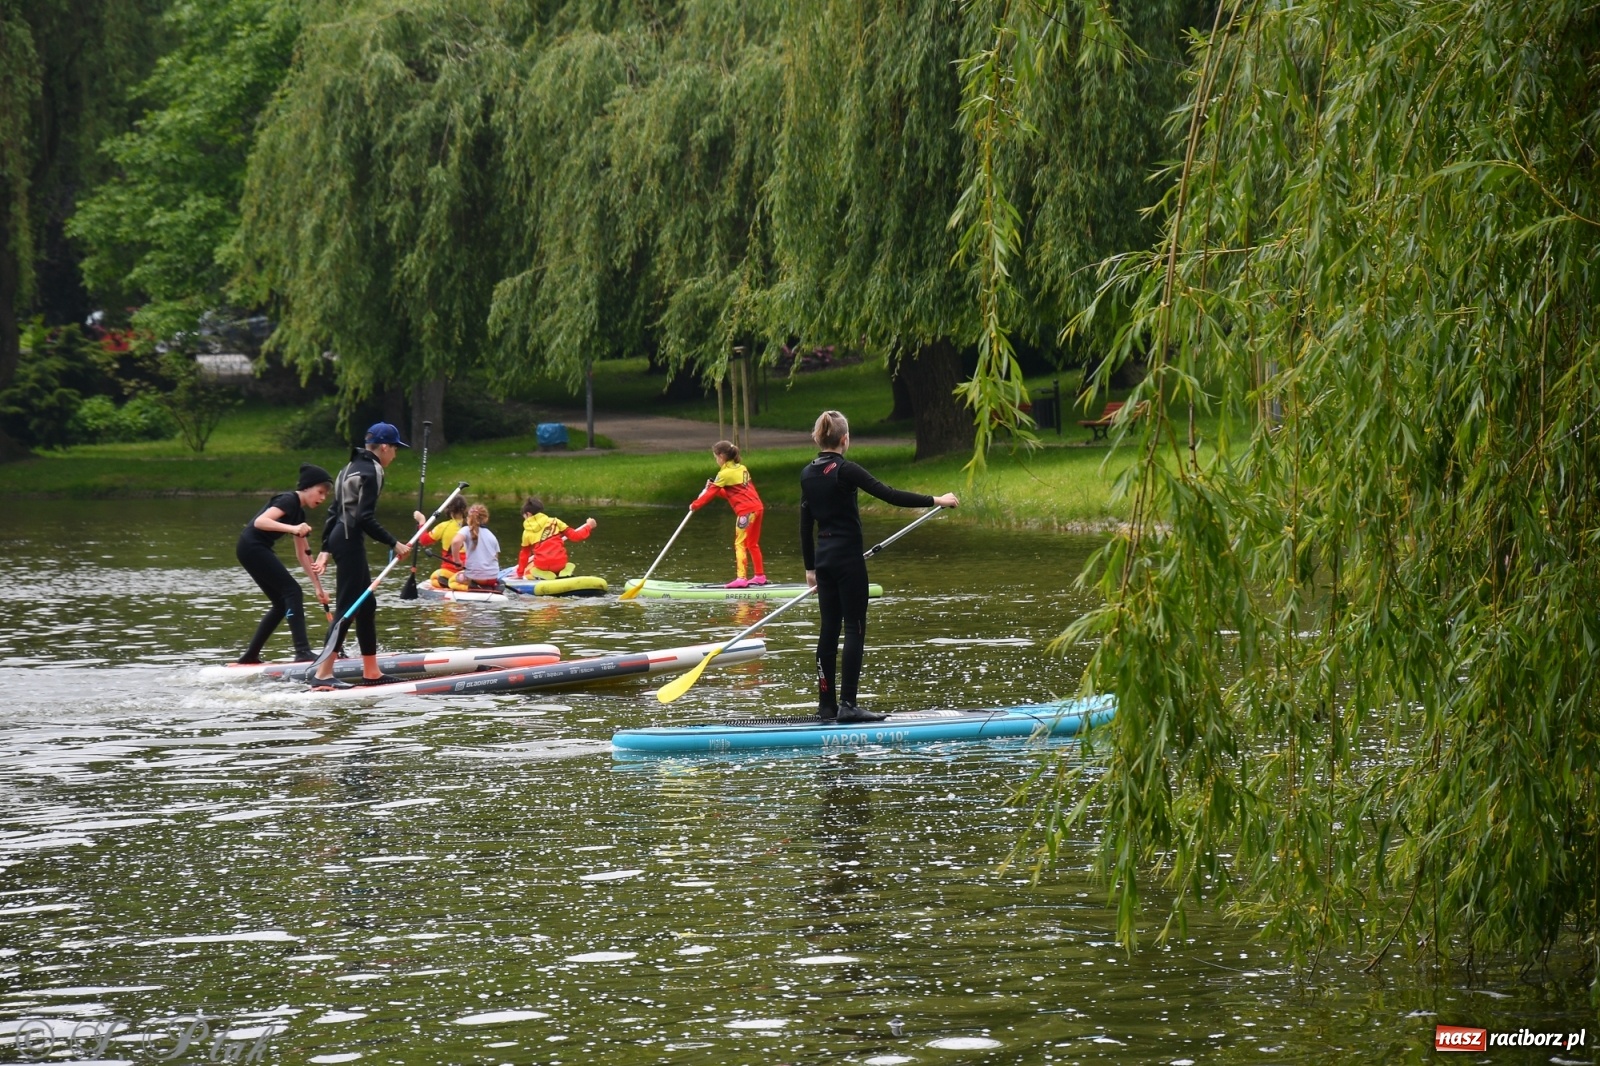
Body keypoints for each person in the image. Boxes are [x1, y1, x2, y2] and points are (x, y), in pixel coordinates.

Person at [800, 410, 957, 723]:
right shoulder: (846, 470)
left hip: (824, 560)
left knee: (828, 629)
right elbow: (889, 494)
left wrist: (810, 568)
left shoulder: (807, 473)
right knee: (854, 628)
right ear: (845, 439)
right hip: (847, 560)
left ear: (820, 438)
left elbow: (805, 523)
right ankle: (848, 705)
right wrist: (936, 499)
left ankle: (826, 705)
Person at [310, 423, 412, 688]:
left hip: (340, 538)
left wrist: (325, 548)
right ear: (385, 447)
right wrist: (394, 543)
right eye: (395, 450)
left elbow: (334, 511)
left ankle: (372, 672)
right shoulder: (373, 470)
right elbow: (364, 517)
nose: (395, 456)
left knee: (366, 606)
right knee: (348, 608)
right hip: (349, 539)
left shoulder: (348, 468)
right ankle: (323, 676)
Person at [234, 463, 334, 664]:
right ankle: (302, 651)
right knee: (292, 591)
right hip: (252, 546)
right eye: (320, 492)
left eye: (326, 494)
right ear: (306, 488)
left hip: (252, 548)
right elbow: (260, 522)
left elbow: (303, 554)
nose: (323, 498)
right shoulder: (288, 500)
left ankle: (250, 656)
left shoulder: (299, 514)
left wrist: (317, 587)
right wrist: (293, 528)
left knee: (281, 603)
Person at [689, 440, 766, 588]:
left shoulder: (724, 473)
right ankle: (759, 576)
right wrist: (715, 488)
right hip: (758, 508)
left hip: (746, 512)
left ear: (721, 456)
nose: (716, 460)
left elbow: (709, 495)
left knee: (740, 543)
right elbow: (733, 494)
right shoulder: (741, 468)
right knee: (752, 543)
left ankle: (741, 579)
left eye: (715, 457)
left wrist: (694, 505)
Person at [517, 497, 596, 579]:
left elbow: (524, 556)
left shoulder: (526, 533)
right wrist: (589, 526)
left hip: (542, 566)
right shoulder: (555, 521)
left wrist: (520, 574)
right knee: (563, 563)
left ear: (528, 514)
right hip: (560, 563)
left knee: (530, 568)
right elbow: (576, 536)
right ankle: (562, 572)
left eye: (524, 517)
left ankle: (543, 575)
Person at [414, 495, 468, 588]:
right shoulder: (473, 527)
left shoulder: (444, 526)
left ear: (449, 510)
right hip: (469, 571)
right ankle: (464, 582)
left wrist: (421, 521)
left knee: (434, 577)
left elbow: (423, 540)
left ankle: (452, 583)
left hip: (449, 571)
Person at [447, 504, 501, 591]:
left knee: (452, 581)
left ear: (468, 518)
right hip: (493, 577)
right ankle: (490, 587)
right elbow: (496, 557)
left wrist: (457, 560)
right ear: (486, 519)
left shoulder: (466, 530)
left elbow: (455, 541)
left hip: (476, 578)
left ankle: (472, 588)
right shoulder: (492, 535)